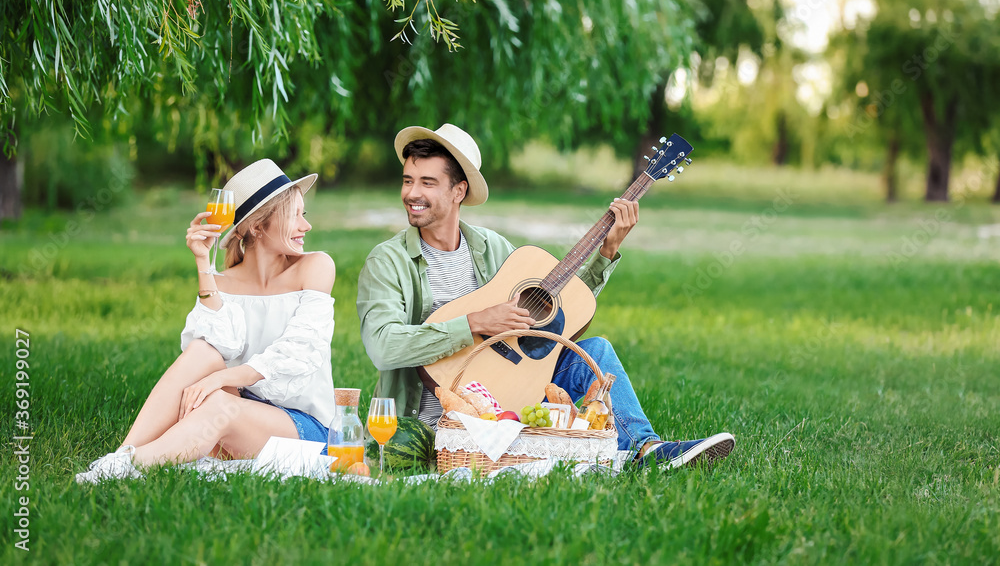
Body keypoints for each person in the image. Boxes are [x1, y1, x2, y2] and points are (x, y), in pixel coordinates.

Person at [357, 124, 734, 468]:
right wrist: (476, 322)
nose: (412, 193)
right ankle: (606, 454)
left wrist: (605, 254)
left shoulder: (492, 248)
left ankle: (647, 451)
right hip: (430, 426)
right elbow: (382, 346)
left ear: (459, 190)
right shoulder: (388, 261)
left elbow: (553, 306)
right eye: (408, 181)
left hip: (509, 405)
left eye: (427, 182)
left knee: (596, 351)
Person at [76, 159, 337, 483]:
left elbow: (298, 354)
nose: (305, 226)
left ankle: (127, 467)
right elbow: (215, 345)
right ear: (257, 226)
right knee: (204, 352)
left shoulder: (315, 267)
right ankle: (119, 457)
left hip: (304, 429)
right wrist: (203, 262)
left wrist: (218, 381)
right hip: (241, 413)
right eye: (295, 215)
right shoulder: (225, 282)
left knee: (217, 403)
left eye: (304, 214)